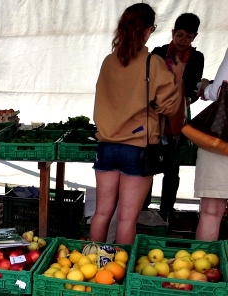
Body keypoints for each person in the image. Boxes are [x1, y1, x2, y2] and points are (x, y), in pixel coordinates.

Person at [90, 3, 184, 244]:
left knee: (101, 213)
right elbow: (170, 107)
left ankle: (92, 266)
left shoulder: (108, 62)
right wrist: (178, 76)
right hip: (137, 148)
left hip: (106, 146)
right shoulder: (152, 63)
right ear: (147, 30)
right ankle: (119, 274)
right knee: (126, 219)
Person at [142, 13, 204, 221]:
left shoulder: (196, 58)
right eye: (179, 35)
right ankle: (143, 208)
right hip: (154, 115)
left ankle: (166, 210)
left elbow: (194, 92)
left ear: (194, 37)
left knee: (171, 165)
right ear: (172, 33)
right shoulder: (158, 53)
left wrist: (180, 97)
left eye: (188, 37)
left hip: (178, 116)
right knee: (149, 159)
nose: (182, 41)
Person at [194, 47, 228, 241]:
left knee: (212, 211)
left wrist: (206, 87)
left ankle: (201, 269)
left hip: (223, 137)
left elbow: (219, 91)